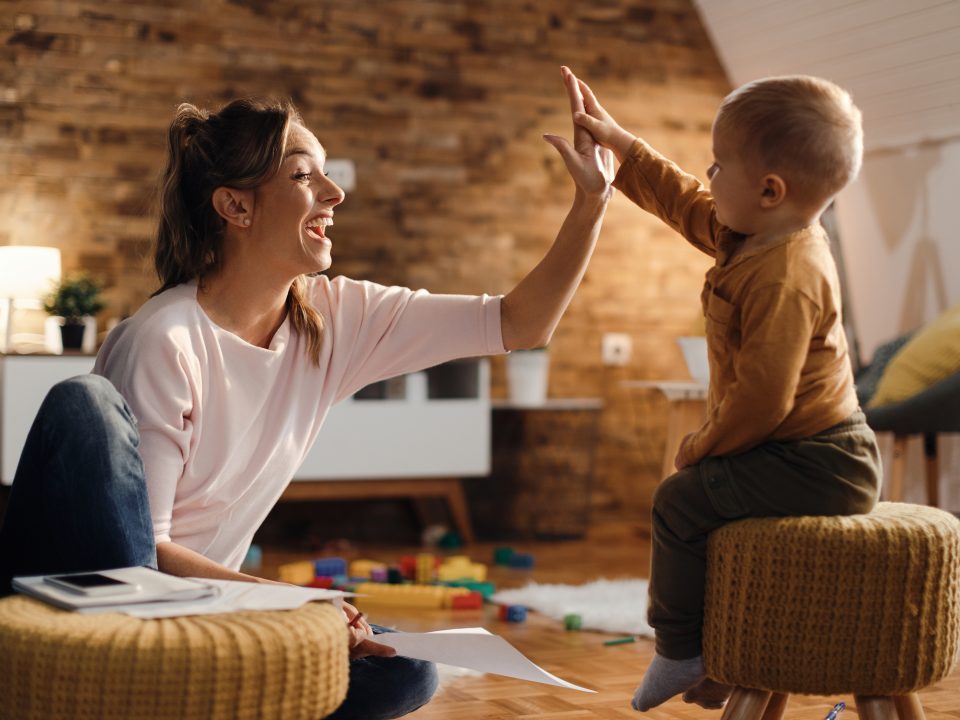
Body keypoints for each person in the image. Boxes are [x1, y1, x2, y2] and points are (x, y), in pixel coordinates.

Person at [0, 67, 614, 720]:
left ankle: (174, 696)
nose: (334, 192)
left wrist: (593, 203)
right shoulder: (165, 339)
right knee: (82, 404)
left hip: (201, 615)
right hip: (100, 600)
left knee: (405, 670)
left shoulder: (335, 318)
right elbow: (145, 556)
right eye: (302, 175)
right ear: (236, 207)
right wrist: (293, 604)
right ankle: (135, 681)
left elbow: (520, 322)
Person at [566, 70, 882, 711]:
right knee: (707, 514)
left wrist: (701, 446)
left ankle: (680, 650)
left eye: (717, 166)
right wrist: (621, 145)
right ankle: (719, 653)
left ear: (769, 190)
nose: (706, 176)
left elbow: (764, 398)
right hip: (795, 449)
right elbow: (683, 200)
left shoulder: (787, 273)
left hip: (824, 460)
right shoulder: (752, 234)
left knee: (681, 502)